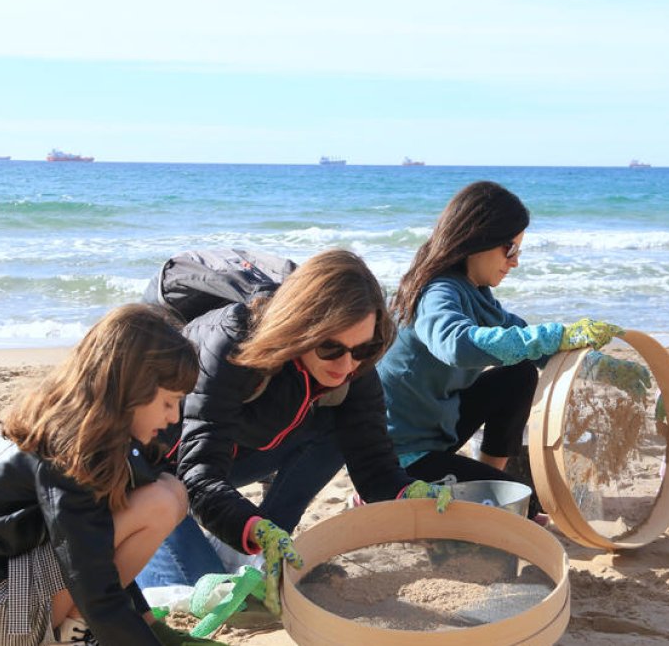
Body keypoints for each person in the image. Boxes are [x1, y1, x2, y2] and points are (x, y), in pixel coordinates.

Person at [138, 249, 450, 616]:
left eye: (362, 349)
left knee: (242, 591)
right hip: (158, 475)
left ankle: (257, 543)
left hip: (229, 457)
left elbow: (374, 465)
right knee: (206, 600)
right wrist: (252, 526)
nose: (347, 364)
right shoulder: (233, 341)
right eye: (330, 347)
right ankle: (239, 536)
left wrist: (407, 491)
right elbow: (198, 473)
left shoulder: (354, 363)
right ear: (301, 326)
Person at [0, 304, 224, 646]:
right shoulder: (69, 450)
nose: (174, 416)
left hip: (15, 581)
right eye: (168, 402)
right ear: (133, 387)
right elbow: (90, 574)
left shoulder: (84, 425)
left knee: (169, 491)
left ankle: (81, 627)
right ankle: (70, 634)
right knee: (159, 503)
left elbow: (99, 545)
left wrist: (150, 627)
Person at [379, 180, 623, 515]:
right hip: (400, 456)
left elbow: (531, 346)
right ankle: (385, 494)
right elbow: (456, 344)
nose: (515, 262)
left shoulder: (477, 293)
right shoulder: (438, 292)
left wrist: (613, 372)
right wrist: (551, 335)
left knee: (519, 373)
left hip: (437, 429)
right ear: (477, 240)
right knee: (525, 506)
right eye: (510, 250)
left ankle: (490, 477)